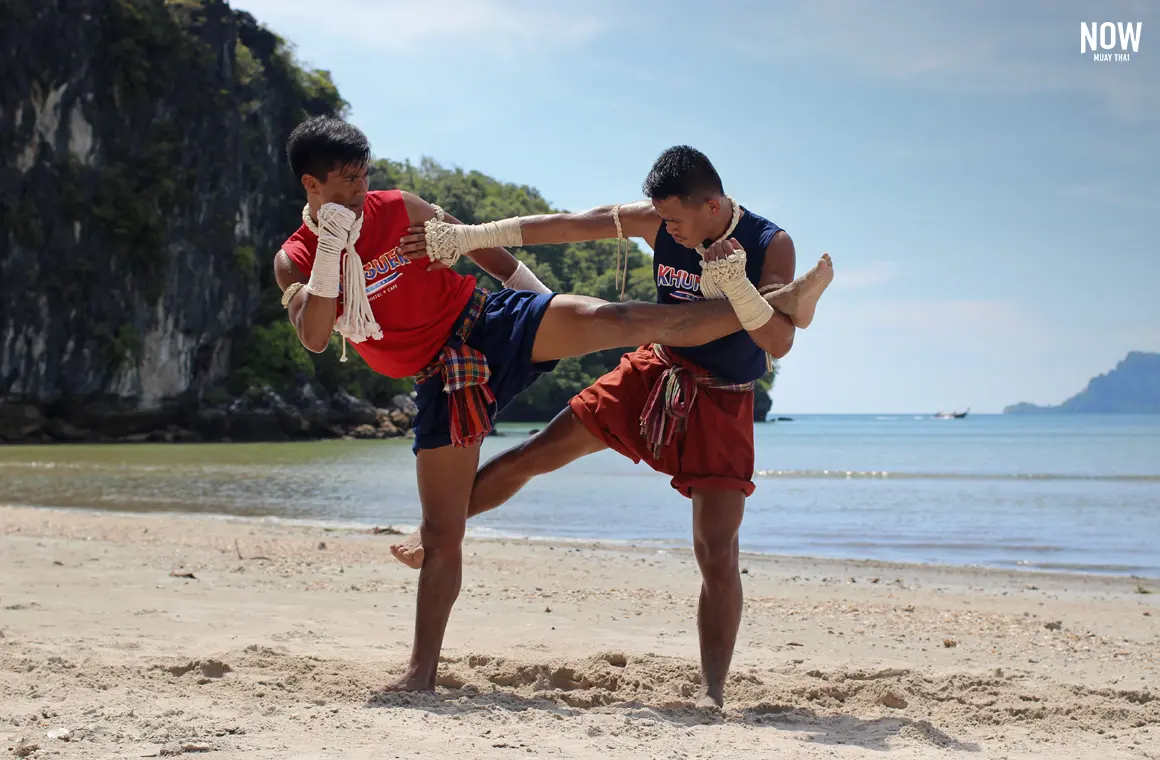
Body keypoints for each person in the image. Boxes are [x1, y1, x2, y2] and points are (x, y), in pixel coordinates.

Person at [273, 118, 833, 696]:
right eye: (346, 182)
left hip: (525, 333)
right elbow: (316, 335)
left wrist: (527, 289)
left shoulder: (401, 207)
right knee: (487, 496)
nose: (360, 193)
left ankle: (714, 693)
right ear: (312, 186)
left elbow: (779, 343)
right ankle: (421, 670)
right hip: (469, 373)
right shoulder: (295, 257)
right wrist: (335, 249)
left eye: (364, 177)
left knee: (616, 326)